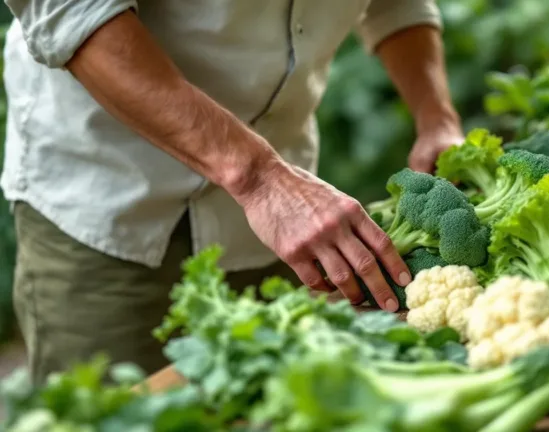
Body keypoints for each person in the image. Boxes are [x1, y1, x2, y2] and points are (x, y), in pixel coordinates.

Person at [0, 1, 464, 384]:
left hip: (285, 225)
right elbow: (72, 13)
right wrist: (261, 179)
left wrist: (435, 116)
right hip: (112, 208)